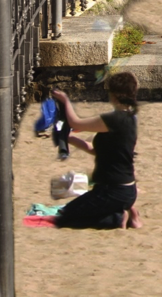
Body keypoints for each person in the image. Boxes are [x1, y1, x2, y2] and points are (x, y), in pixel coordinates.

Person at [51, 74, 141, 230]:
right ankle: (130, 211)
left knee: (65, 217)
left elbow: (75, 122)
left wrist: (65, 100)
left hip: (112, 191)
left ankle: (118, 218)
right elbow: (97, 150)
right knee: (72, 211)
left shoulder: (114, 119)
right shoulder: (130, 118)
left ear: (116, 95)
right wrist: (69, 138)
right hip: (126, 191)